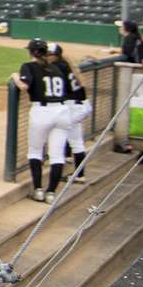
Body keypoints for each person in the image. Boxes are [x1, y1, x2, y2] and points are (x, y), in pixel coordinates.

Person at [12, 37, 74, 200]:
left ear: (31, 52)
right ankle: (51, 193)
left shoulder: (29, 66)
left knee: (35, 151)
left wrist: (15, 77)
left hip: (42, 111)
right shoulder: (56, 68)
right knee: (57, 155)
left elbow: (24, 86)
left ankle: (38, 190)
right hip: (62, 111)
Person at [53, 43, 91, 184]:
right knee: (69, 135)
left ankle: (79, 174)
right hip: (81, 104)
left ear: (54, 56)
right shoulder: (66, 64)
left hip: (73, 107)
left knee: (75, 142)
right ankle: (67, 157)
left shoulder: (58, 66)